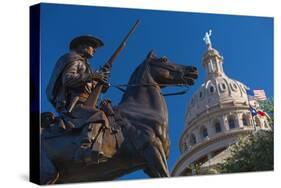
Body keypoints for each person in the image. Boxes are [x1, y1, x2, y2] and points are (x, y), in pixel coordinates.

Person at [46, 35, 111, 163]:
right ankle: (85, 148)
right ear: (82, 46)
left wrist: (101, 82)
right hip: (74, 105)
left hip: (87, 103)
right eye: (92, 46)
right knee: (99, 115)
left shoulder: (86, 66)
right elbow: (68, 80)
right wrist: (93, 76)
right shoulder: (75, 61)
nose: (95, 50)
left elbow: (90, 88)